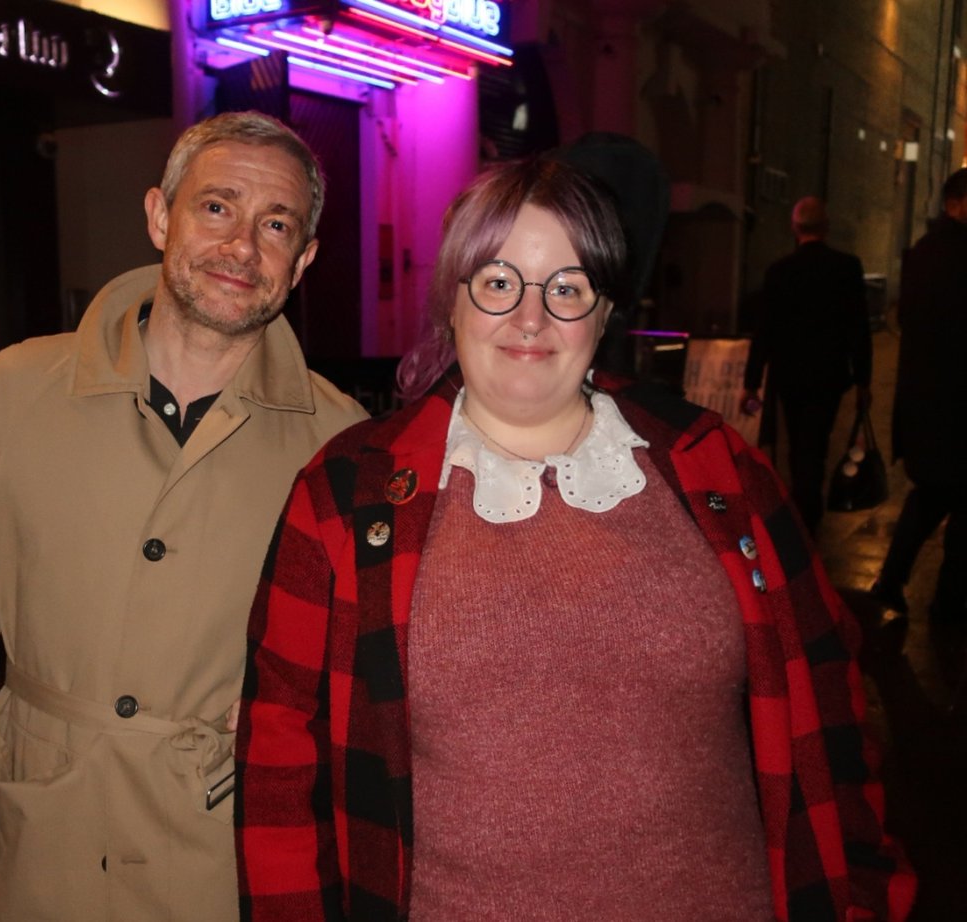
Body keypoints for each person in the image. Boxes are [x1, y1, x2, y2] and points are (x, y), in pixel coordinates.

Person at [235, 158, 915, 920]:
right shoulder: (344, 497)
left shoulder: (714, 467)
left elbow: (830, 707)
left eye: (566, 289)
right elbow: (278, 777)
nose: (532, 319)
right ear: (451, 300)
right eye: (498, 283)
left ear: (604, 311)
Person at [0, 110, 367, 922]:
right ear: (159, 215)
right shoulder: (14, 392)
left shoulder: (340, 442)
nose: (242, 246)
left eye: (276, 224)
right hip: (39, 827)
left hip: (223, 840)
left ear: (304, 259)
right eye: (216, 207)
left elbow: (362, 661)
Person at [741, 196, 873, 535]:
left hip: (790, 375)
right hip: (829, 375)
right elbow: (858, 328)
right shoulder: (846, 268)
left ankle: (801, 503)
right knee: (817, 441)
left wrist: (752, 379)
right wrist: (863, 379)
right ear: (825, 227)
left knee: (798, 440)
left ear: (795, 228)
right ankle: (808, 508)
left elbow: (765, 330)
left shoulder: (780, 272)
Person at [871, 168, 967, 620]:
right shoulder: (953, 255)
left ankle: (893, 582)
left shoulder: (924, 254)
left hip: (927, 407)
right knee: (945, 504)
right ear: (955, 203)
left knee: (929, 498)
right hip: (955, 408)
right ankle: (945, 601)